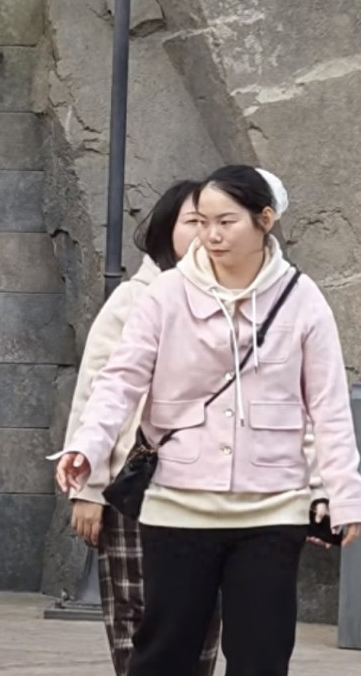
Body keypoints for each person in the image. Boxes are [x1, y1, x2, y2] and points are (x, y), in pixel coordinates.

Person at [55, 165, 361, 676]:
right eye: (202, 222)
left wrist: (343, 495)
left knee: (262, 657)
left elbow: (327, 405)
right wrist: (87, 447)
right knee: (164, 654)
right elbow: (118, 381)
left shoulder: (302, 297)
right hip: (177, 504)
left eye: (226, 221)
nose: (212, 235)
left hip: (272, 507)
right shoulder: (166, 293)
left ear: (265, 220)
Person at [66, 180, 220, 675]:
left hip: (207, 493)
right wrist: (88, 488)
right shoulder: (136, 298)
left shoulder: (231, 301)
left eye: (215, 222)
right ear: (166, 230)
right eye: (192, 222)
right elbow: (96, 392)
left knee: (201, 620)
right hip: (138, 489)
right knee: (138, 617)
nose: (205, 233)